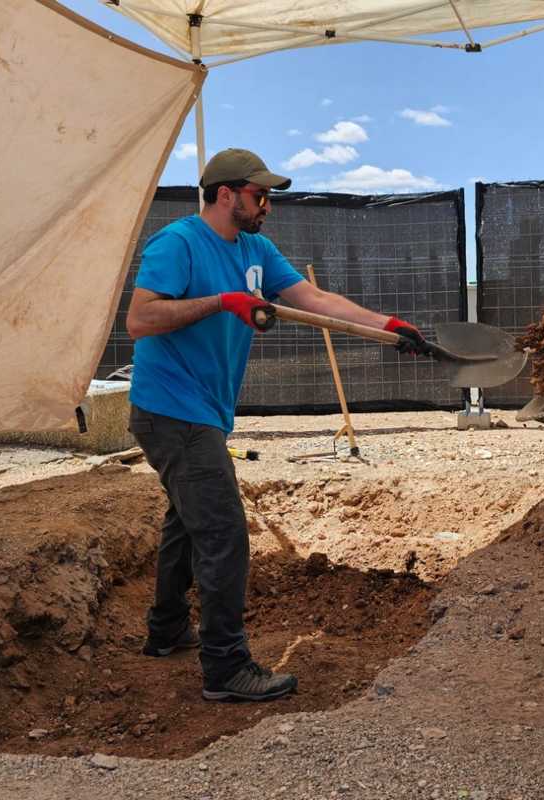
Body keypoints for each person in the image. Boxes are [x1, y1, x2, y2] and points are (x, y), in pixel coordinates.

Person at [124, 148, 427, 702]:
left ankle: (166, 629)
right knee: (223, 533)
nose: (267, 206)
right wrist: (222, 302)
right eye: (259, 195)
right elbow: (140, 319)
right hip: (170, 408)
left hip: (204, 410)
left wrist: (388, 325)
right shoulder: (178, 244)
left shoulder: (257, 248)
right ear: (225, 195)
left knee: (186, 521)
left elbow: (313, 298)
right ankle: (225, 667)